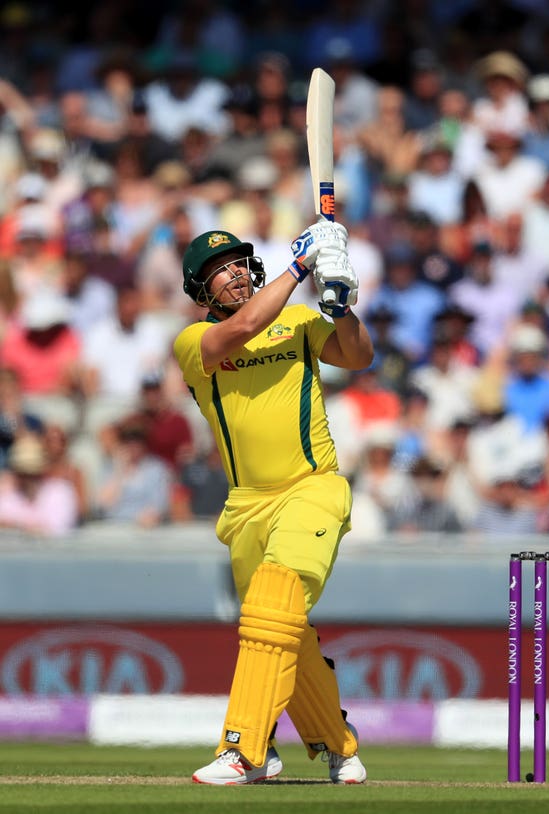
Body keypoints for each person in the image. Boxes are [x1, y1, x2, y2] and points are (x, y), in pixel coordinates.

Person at [173, 218, 373, 785]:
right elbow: (241, 329)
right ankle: (339, 746)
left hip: (312, 487)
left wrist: (339, 302)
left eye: (238, 263)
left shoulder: (297, 320)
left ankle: (244, 749)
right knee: (285, 630)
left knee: (274, 608)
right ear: (200, 291)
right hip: (246, 507)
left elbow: (359, 358)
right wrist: (300, 265)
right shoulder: (193, 342)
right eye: (218, 272)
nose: (233, 274)